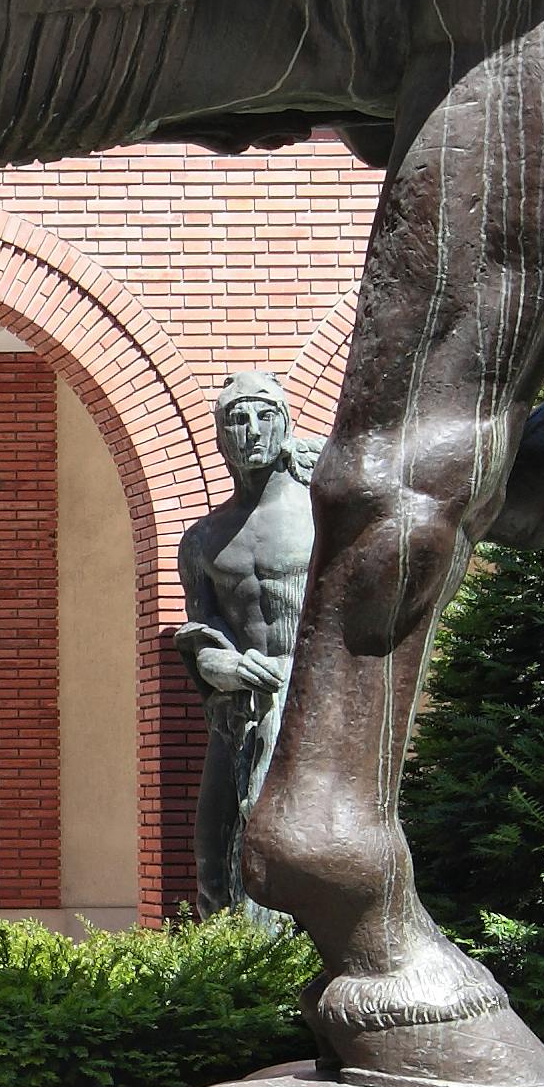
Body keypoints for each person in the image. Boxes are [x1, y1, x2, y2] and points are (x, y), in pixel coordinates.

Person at [176, 370, 321, 919]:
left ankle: (289, 970)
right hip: (238, 712)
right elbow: (201, 638)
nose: (251, 430)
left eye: (265, 414)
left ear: (285, 424)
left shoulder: (321, 516)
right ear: (220, 436)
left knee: (281, 853)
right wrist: (225, 665)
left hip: (309, 704)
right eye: (237, 419)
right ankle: (235, 985)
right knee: (213, 861)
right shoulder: (203, 539)